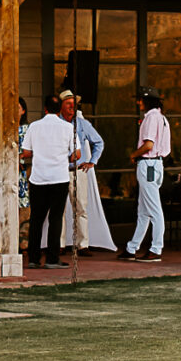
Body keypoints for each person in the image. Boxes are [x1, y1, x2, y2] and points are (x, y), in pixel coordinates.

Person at [22, 91, 82, 268]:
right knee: (55, 219)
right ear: (59, 109)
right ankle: (52, 258)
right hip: (59, 177)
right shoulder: (68, 128)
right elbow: (77, 154)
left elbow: (26, 152)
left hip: (38, 178)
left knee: (36, 219)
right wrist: (64, 157)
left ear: (45, 108)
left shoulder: (34, 126)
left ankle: (33, 258)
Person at [121, 90, 171, 262]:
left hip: (148, 164)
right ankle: (132, 247)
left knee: (154, 210)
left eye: (140, 100)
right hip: (156, 164)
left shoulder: (151, 117)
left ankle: (156, 248)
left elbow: (148, 144)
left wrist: (133, 155)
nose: (138, 102)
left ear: (147, 101)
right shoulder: (162, 118)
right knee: (143, 211)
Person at [69, 95, 113, 252]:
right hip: (59, 169)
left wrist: (92, 161)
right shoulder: (57, 123)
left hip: (78, 170)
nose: (71, 107)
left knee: (81, 206)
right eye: (68, 104)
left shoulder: (82, 124)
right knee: (58, 209)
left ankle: (82, 244)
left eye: (74, 104)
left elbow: (99, 142)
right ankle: (58, 244)